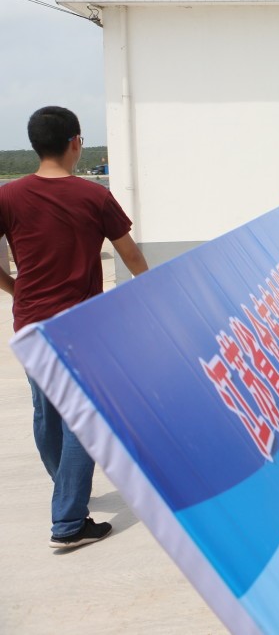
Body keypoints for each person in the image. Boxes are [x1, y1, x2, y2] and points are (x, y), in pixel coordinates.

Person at [0, 106, 149, 548]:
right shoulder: (94, 196)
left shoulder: (8, 197)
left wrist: (14, 289)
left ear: (35, 145)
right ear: (76, 142)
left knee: (47, 413)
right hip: (81, 327)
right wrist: (153, 293)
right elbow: (130, 254)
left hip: (30, 322)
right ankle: (68, 521)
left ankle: (65, 486)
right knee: (83, 418)